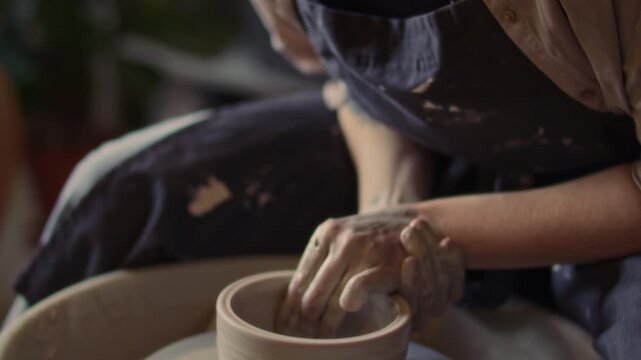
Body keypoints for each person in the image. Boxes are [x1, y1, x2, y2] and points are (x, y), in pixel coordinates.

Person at [12, 0, 641, 358]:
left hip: (610, 183)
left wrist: (435, 227)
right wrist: (390, 202)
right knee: (122, 197)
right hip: (426, 146)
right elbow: (355, 82)